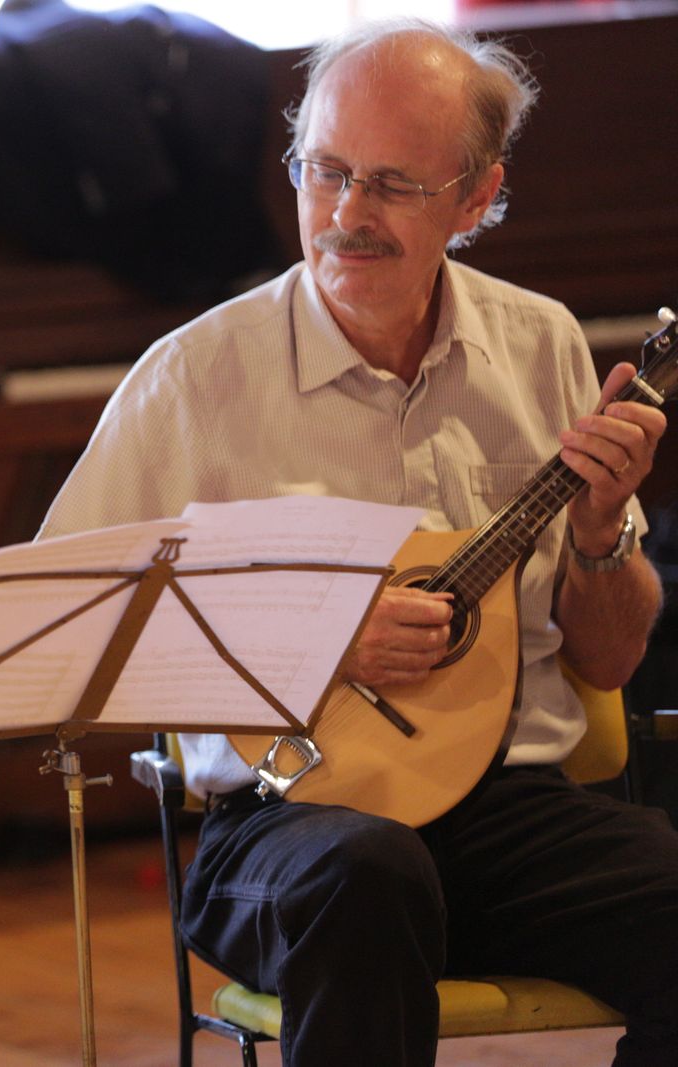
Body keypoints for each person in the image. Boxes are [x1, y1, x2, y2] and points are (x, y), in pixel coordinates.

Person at [39, 18, 673, 1067]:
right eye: (325, 171)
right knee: (369, 875)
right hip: (287, 821)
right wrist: (312, 642)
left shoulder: (541, 344)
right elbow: (70, 629)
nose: (345, 214)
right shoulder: (192, 380)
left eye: (392, 184)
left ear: (475, 196)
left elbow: (607, 660)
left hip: (506, 809)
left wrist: (601, 533)